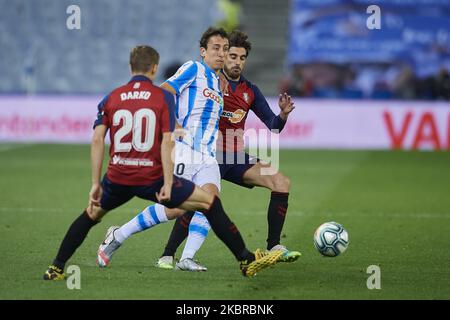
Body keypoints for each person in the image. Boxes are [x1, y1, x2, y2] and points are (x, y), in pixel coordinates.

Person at [43, 45, 283, 280]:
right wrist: (169, 179)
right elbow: (167, 140)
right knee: (200, 204)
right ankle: (245, 258)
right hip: (150, 174)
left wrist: (95, 182)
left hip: (118, 175)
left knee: (90, 216)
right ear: (155, 68)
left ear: (130, 66)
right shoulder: (160, 97)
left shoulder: (113, 96)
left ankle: (56, 267)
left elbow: (97, 139)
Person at [154, 30, 300, 270]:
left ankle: (274, 245)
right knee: (185, 206)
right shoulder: (208, 81)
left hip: (234, 158)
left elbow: (273, 127)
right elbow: (174, 96)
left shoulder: (250, 91)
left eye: (242, 58)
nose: (237, 62)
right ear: (222, 54)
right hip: (206, 156)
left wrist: (283, 115)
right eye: (232, 55)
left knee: (281, 182)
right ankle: (168, 254)